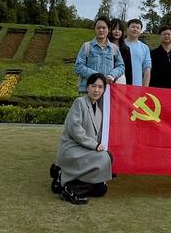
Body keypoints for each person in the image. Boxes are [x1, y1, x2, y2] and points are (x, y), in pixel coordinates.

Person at [50, 73, 113, 204]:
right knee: (105, 157)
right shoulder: (79, 102)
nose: (96, 90)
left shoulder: (100, 112)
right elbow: (75, 130)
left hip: (85, 150)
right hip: (72, 149)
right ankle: (72, 189)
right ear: (87, 87)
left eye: (100, 87)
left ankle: (62, 177)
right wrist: (94, 146)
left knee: (101, 189)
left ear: (104, 90)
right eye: (93, 86)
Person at [74, 16, 125, 93]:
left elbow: (121, 66)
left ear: (109, 30)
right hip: (88, 90)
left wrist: (112, 75)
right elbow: (78, 66)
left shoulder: (114, 48)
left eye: (104, 28)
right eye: (98, 28)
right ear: (94, 29)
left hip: (107, 90)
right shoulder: (86, 46)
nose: (101, 30)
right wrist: (96, 76)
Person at [124, 18, 151, 86]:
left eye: (138, 28)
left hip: (137, 86)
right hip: (119, 85)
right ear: (127, 29)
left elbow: (147, 69)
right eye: (133, 27)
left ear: (140, 31)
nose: (135, 29)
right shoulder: (119, 45)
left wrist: (145, 88)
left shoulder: (145, 48)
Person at [108, 18, 132, 84]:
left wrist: (129, 87)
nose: (117, 31)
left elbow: (128, 70)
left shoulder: (126, 49)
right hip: (106, 80)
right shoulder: (105, 47)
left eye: (119, 29)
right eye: (114, 29)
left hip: (121, 82)